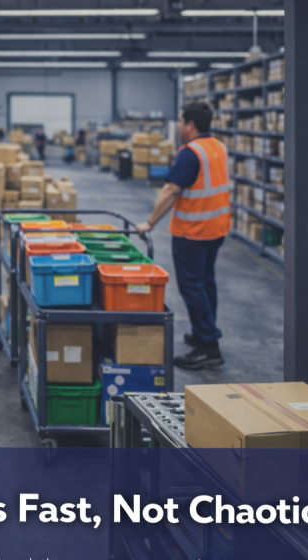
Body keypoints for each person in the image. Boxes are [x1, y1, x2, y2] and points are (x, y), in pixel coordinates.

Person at [137, 102, 230, 370]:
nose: (178, 126)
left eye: (180, 121)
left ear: (190, 125)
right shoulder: (218, 147)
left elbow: (170, 190)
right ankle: (204, 332)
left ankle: (208, 346)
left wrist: (150, 223)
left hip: (194, 232)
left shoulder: (191, 153)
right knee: (206, 282)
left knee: (192, 287)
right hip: (217, 228)